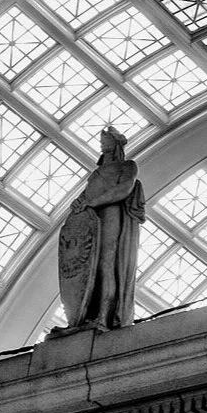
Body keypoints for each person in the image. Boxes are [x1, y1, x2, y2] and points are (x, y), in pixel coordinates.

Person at [62, 126, 146, 331]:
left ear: (116, 143)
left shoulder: (128, 166)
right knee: (88, 266)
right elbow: (85, 195)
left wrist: (94, 202)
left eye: (106, 140)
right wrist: (79, 203)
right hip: (91, 217)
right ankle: (82, 317)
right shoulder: (97, 172)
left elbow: (124, 188)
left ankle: (103, 317)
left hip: (110, 214)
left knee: (106, 266)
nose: (102, 143)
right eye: (101, 141)